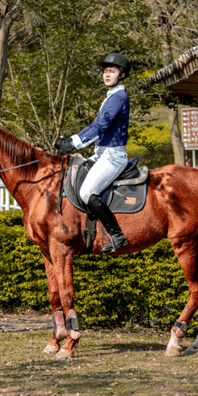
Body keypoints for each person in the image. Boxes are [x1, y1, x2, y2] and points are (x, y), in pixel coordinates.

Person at [55, 52, 131, 254]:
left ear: (122, 75)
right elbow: (96, 126)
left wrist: (74, 143)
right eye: (105, 71)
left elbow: (101, 125)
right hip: (101, 154)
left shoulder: (119, 97)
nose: (107, 74)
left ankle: (116, 235)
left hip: (113, 157)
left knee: (87, 192)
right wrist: (71, 140)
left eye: (112, 71)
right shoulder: (111, 97)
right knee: (73, 176)